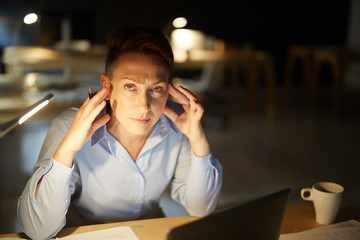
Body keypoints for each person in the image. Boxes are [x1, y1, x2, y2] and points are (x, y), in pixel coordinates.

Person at [17, 26, 222, 239]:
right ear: (106, 85)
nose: (144, 106)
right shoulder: (70, 126)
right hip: (83, 232)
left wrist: (198, 141)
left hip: (148, 231)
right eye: (130, 87)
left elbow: (202, 208)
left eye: (156, 89)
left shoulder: (179, 125)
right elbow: (38, 231)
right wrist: (67, 149)